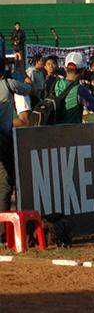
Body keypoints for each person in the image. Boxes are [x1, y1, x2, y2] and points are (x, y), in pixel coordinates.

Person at [0, 66, 32, 219]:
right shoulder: (9, 84)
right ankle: (3, 231)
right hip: (3, 141)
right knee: (5, 185)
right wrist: (22, 71)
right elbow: (29, 88)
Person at [53, 52, 94, 124]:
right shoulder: (80, 89)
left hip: (56, 129)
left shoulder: (57, 83)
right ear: (82, 71)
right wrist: (93, 86)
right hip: (72, 130)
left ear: (65, 69)